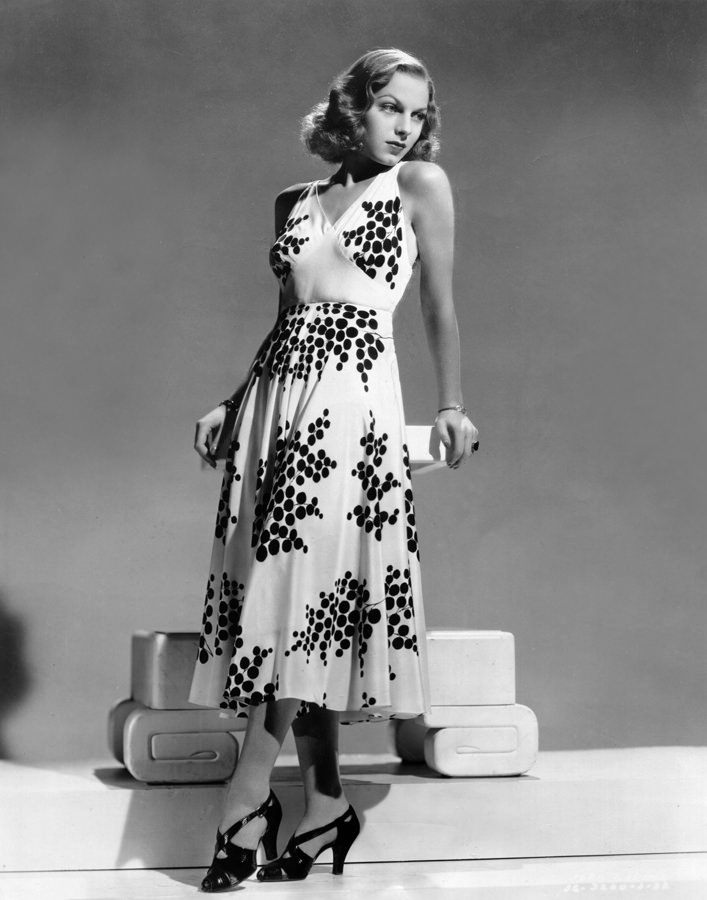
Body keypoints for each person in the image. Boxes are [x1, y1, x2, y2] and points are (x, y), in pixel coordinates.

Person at [190, 48, 479, 892]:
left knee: (303, 590)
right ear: (351, 107)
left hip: (353, 403)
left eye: (417, 113)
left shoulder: (420, 188)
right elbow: (285, 318)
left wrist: (452, 403)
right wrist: (230, 400)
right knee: (289, 595)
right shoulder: (294, 201)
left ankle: (246, 796)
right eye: (390, 107)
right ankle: (324, 804)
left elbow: (438, 303)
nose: (405, 126)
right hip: (276, 405)